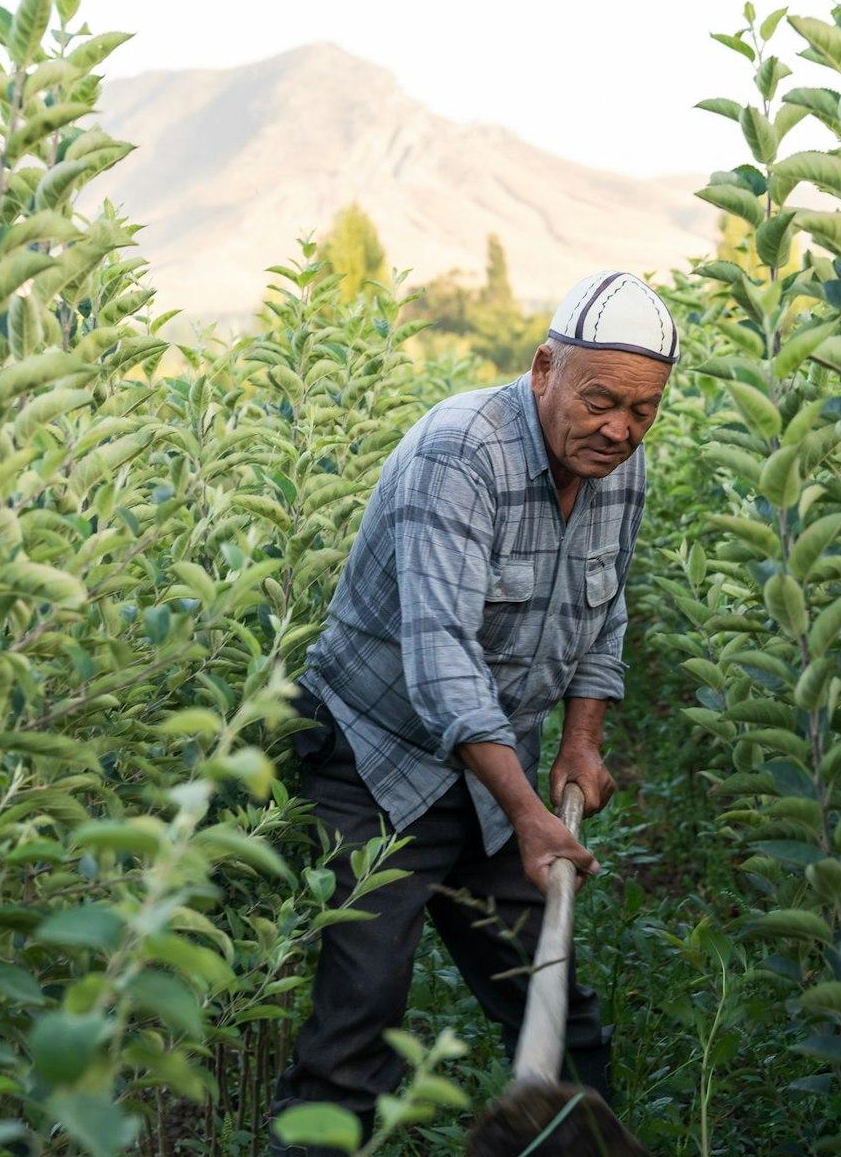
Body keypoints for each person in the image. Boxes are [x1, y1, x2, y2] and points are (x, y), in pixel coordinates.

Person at [267, 270, 678, 1153]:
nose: (619, 429)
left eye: (642, 412)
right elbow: (440, 659)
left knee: (559, 1012)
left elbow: (603, 613)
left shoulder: (620, 467)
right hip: (376, 759)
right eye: (601, 400)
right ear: (543, 369)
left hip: (493, 771)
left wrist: (580, 740)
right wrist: (531, 815)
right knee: (358, 1023)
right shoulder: (458, 453)